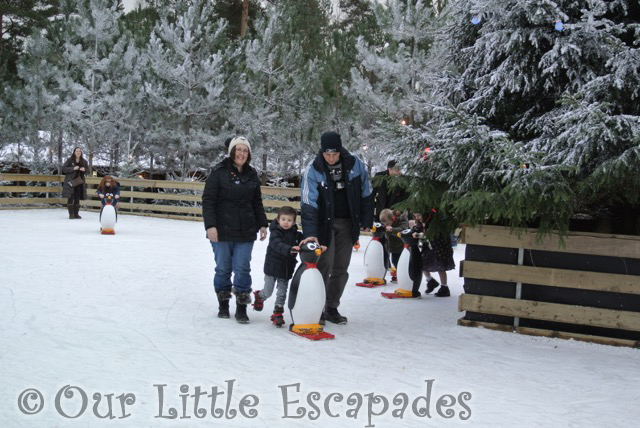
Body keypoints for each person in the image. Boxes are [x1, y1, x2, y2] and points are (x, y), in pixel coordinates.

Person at [301, 131, 374, 324]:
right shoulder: (313, 169)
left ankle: (331, 307)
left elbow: (366, 192)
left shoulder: (355, 164)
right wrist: (310, 233)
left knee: (341, 267)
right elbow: (309, 203)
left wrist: (367, 218)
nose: (331, 158)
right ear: (322, 152)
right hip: (324, 224)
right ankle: (316, 306)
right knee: (325, 263)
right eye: (327, 154)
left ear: (340, 150)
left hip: (348, 223)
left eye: (334, 154)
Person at [202, 136, 268, 323]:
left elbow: (257, 202)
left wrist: (262, 224)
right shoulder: (219, 172)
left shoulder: (252, 174)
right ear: (232, 152)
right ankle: (223, 304)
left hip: (245, 230)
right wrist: (210, 226)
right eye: (238, 150)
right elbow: (208, 201)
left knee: (242, 269)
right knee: (223, 268)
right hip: (221, 230)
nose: (241, 154)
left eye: (245, 150)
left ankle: (241, 307)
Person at [252, 206, 303, 327]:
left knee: (282, 293)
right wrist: (289, 249)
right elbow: (277, 244)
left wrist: (314, 244)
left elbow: (305, 241)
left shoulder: (297, 235)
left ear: (294, 222)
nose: (286, 222)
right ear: (278, 219)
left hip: (286, 268)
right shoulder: (275, 233)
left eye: (289, 220)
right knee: (268, 292)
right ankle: (260, 296)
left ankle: (278, 313)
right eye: (283, 219)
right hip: (272, 267)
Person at [412, 211, 455, 297]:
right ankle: (431, 281)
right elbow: (419, 230)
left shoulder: (434, 221)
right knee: (422, 263)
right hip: (428, 247)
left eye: (419, 215)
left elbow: (431, 233)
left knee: (440, 267)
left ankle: (444, 287)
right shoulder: (421, 223)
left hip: (439, 247)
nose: (417, 217)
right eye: (415, 215)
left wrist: (420, 234)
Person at [379, 208, 409, 283]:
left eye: (388, 224)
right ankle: (399, 275)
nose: (386, 225)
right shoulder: (388, 223)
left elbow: (403, 229)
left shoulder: (402, 218)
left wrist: (392, 229)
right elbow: (386, 236)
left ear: (392, 218)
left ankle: (403, 276)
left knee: (400, 261)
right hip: (393, 245)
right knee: (394, 261)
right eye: (384, 224)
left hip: (402, 245)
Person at [61, 147, 88, 219]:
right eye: (77, 151)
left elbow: (88, 171)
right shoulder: (70, 160)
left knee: (77, 198)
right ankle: (71, 214)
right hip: (70, 182)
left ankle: (76, 214)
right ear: (74, 152)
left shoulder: (84, 161)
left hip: (79, 182)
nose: (78, 152)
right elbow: (63, 169)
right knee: (70, 197)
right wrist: (73, 168)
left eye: (79, 151)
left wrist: (84, 169)